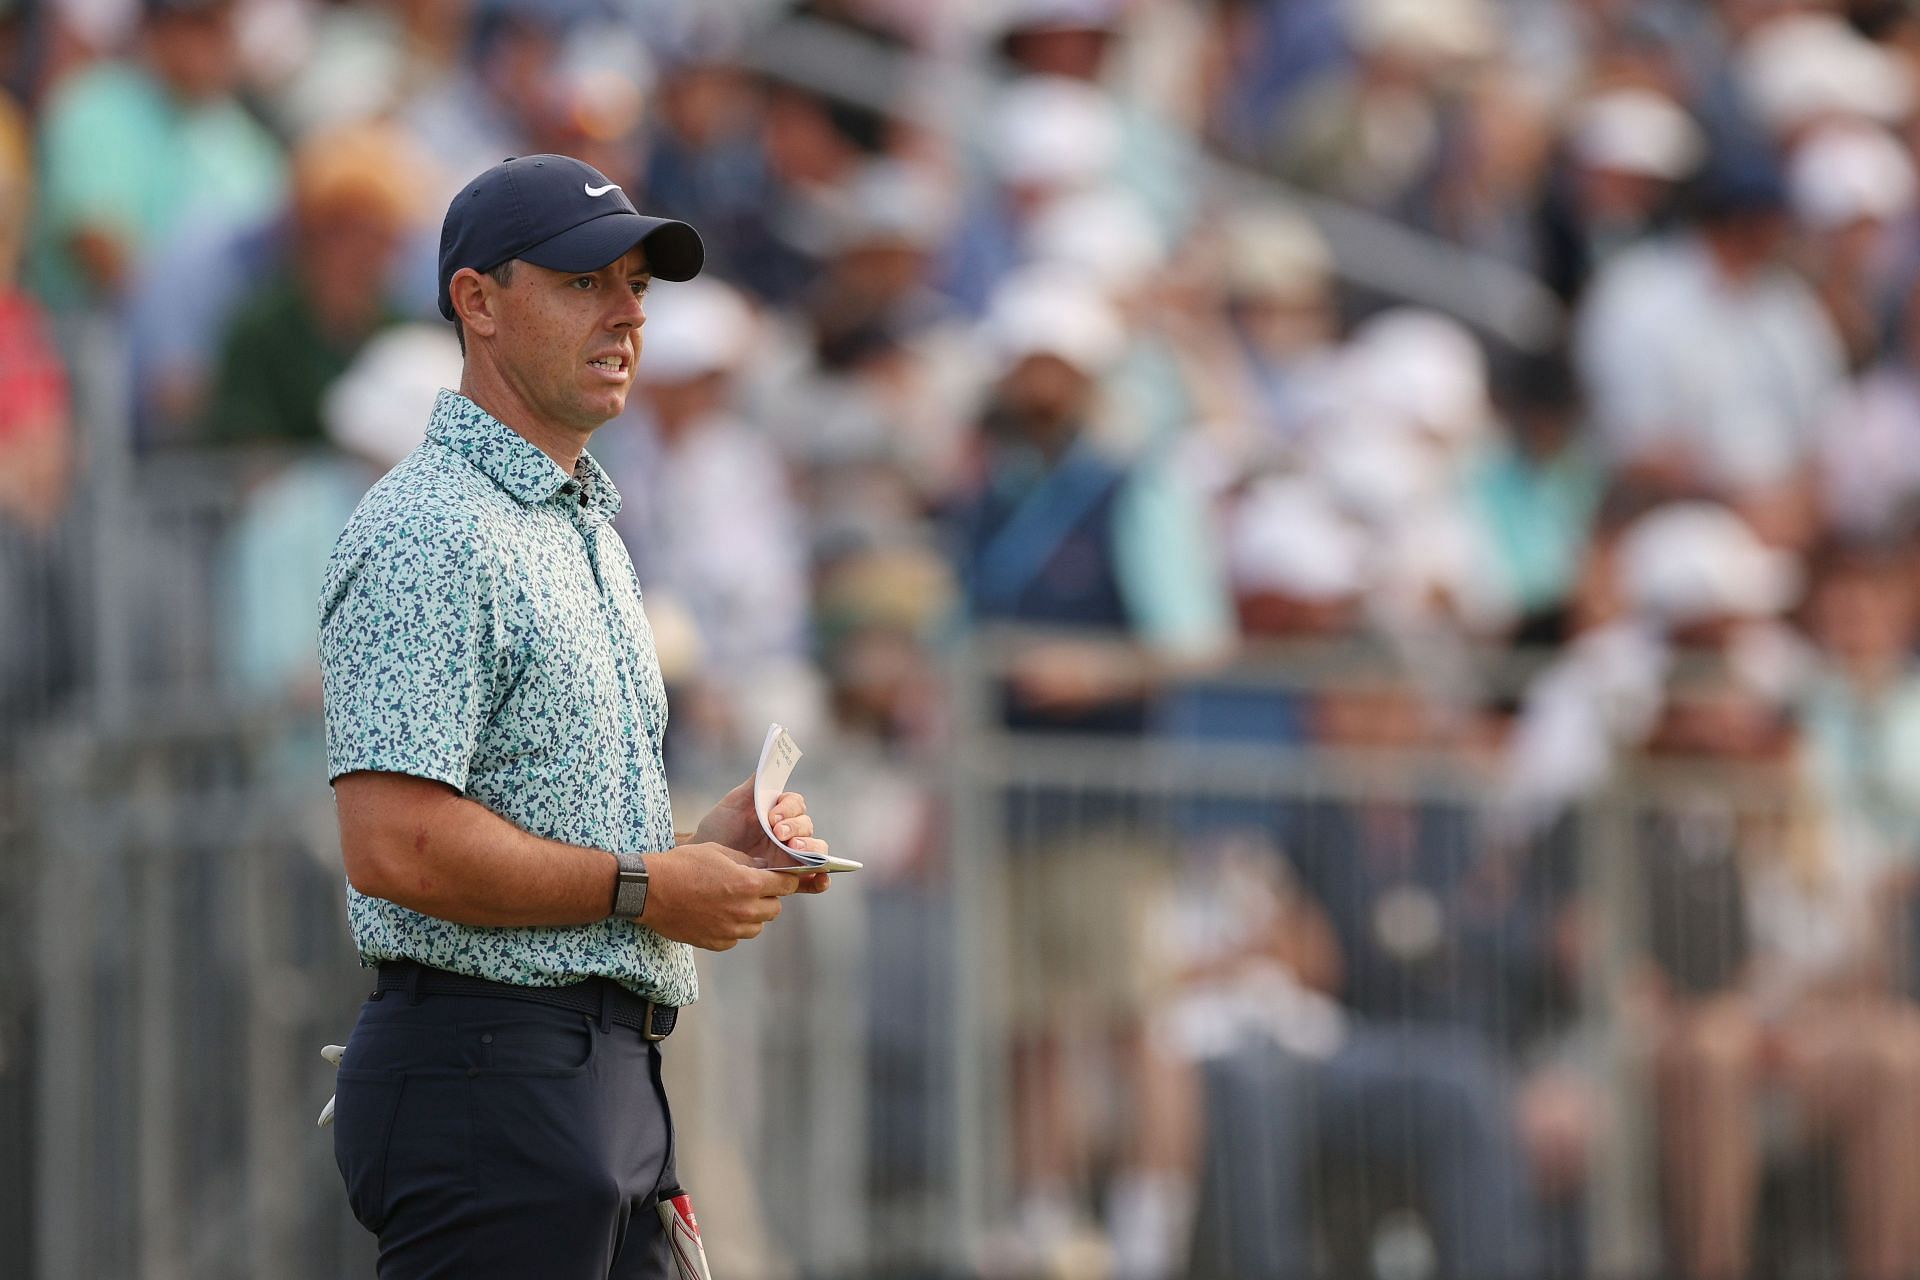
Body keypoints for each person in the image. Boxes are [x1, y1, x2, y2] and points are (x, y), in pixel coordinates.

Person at [319, 153, 832, 1279]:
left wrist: (703, 850)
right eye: (583, 281)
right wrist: (652, 885)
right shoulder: (431, 529)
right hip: (490, 1078)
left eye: (638, 285)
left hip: (584, 1081)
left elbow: (540, 827)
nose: (628, 313)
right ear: (478, 301)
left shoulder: (581, 522)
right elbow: (394, 841)